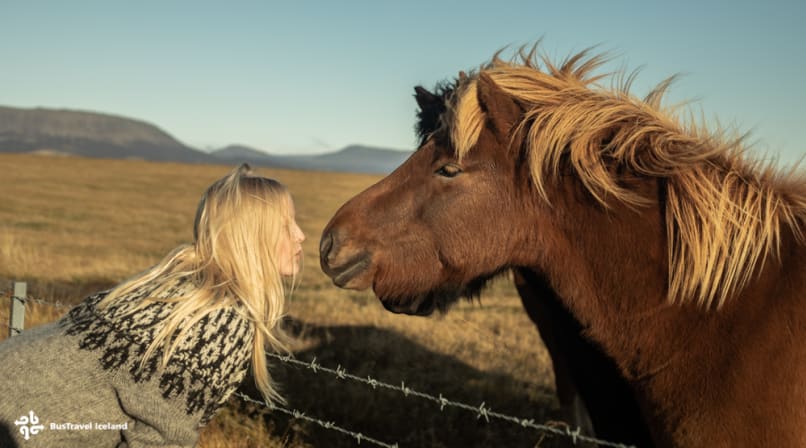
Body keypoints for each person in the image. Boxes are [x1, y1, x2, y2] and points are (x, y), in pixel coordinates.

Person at [0, 164, 305, 447]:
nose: (300, 235)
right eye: (285, 225)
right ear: (251, 237)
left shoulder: (176, 283)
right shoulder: (221, 321)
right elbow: (158, 441)